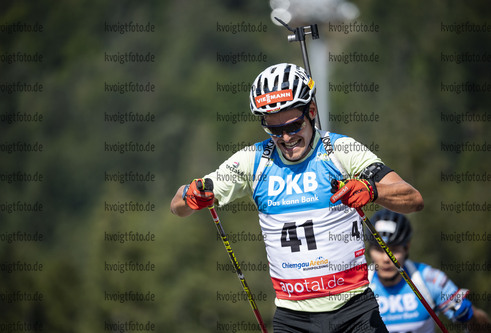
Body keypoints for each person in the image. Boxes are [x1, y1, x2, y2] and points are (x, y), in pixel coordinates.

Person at [170, 63, 424, 332]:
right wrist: (190, 196)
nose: (287, 137)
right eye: (275, 130)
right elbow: (178, 205)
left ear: (311, 112)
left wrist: (373, 191)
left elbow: (412, 198)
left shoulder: (341, 150)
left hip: (355, 311)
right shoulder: (253, 160)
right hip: (293, 318)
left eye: (294, 125)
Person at [367, 209, 491, 333]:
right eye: (378, 249)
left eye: (393, 250)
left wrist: (470, 316)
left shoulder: (429, 278)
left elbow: (484, 329)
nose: (386, 258)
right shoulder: (359, 285)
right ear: (369, 249)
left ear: (406, 247)